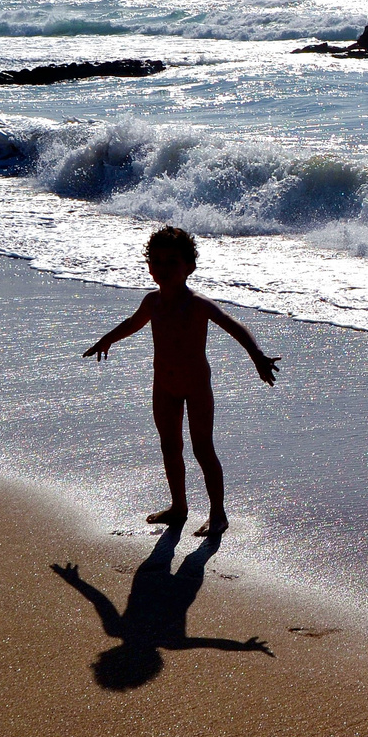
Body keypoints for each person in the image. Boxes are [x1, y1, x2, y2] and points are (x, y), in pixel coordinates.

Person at [84, 226, 280, 537]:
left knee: (203, 448)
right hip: (163, 386)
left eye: (172, 262)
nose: (163, 268)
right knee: (169, 446)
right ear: (149, 267)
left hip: (196, 387)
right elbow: (132, 324)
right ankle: (179, 507)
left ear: (190, 267)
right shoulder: (152, 302)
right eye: (157, 261)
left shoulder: (198, 303)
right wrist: (107, 340)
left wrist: (257, 355)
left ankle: (218, 514)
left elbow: (234, 325)